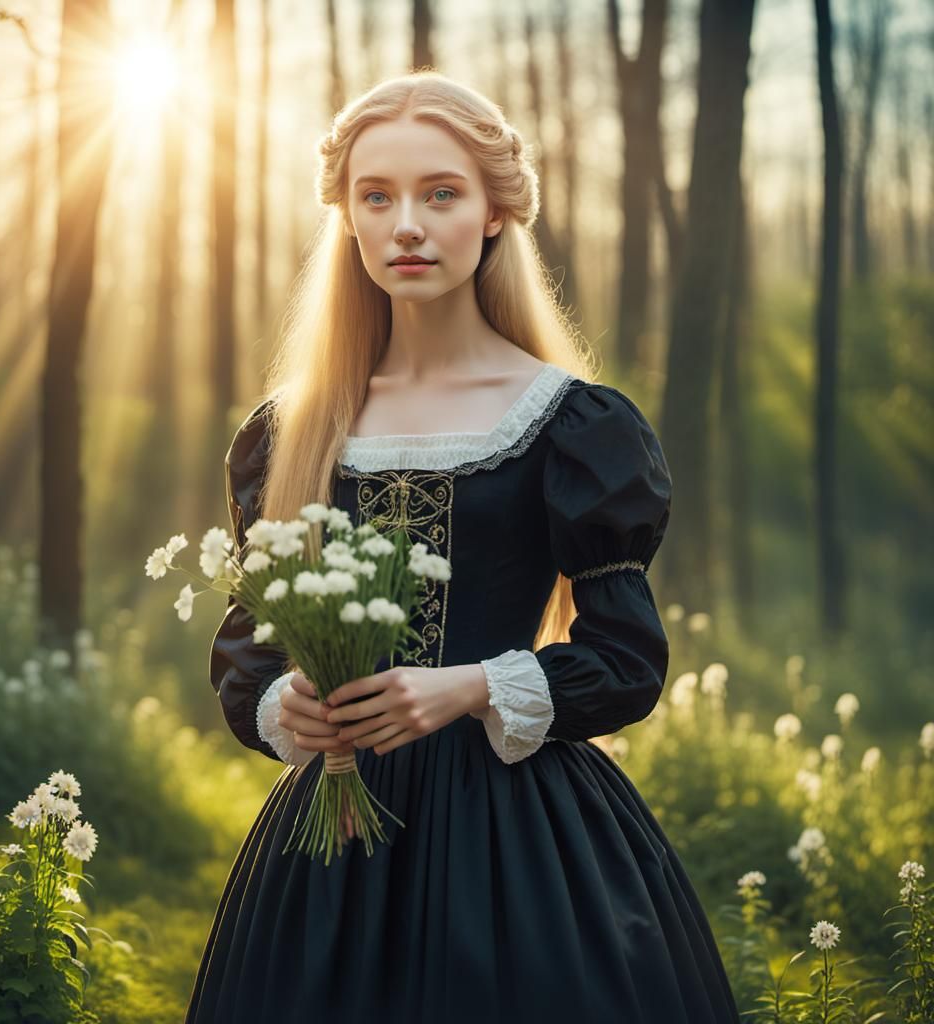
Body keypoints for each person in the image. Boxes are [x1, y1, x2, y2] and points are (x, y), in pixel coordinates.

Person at [185, 70, 741, 1023]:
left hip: (517, 833)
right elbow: (249, 649)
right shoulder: (289, 433)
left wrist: (469, 686)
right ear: (348, 219)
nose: (407, 225)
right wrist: (288, 701)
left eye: (440, 193)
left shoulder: (573, 424)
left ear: (493, 213)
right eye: (377, 197)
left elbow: (625, 661)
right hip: (332, 837)